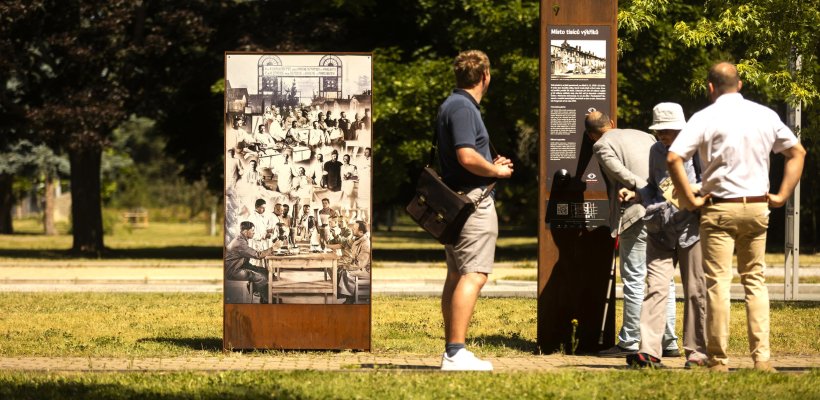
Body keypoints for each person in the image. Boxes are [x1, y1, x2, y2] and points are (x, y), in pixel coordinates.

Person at [667, 62, 806, 372]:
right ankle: (762, 359)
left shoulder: (705, 117)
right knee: (755, 280)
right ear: (740, 84)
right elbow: (798, 153)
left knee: (718, 283)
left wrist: (689, 197)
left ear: (710, 87)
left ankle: (718, 361)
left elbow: (674, 157)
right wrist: (782, 195)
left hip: (719, 208)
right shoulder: (765, 115)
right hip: (757, 206)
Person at [437, 50, 514, 371]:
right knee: (475, 274)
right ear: (486, 76)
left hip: (457, 200)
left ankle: (452, 350)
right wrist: (496, 172)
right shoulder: (464, 108)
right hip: (473, 204)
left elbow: (466, 158)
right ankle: (455, 352)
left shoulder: (451, 105)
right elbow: (467, 156)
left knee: (456, 274)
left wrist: (489, 165)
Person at [618, 103, 707, 368]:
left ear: (681, 127)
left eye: (667, 131)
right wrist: (635, 194)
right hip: (660, 227)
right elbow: (653, 188)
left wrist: (686, 189)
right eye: (659, 131)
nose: (662, 136)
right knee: (654, 287)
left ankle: (697, 352)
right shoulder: (656, 151)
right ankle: (649, 351)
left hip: (692, 227)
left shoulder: (698, 148)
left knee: (695, 290)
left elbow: (711, 182)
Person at [585, 111, 680, 358]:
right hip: (663, 210)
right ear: (613, 123)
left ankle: (630, 340)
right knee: (664, 279)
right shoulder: (645, 136)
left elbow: (621, 174)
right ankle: (669, 342)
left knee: (635, 277)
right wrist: (661, 195)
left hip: (636, 211)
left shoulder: (601, 145)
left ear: (589, 135)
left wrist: (645, 191)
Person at [225, 221, 276, 303]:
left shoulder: (241, 239)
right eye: (252, 230)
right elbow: (257, 255)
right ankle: (268, 301)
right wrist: (273, 248)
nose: (254, 232)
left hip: (239, 267)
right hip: (233, 271)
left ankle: (263, 297)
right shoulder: (240, 243)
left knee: (265, 271)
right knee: (261, 278)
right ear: (245, 232)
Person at [327, 220, 371, 304]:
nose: (352, 229)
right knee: (337, 269)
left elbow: (360, 264)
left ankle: (350, 298)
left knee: (346, 272)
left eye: (354, 229)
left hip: (365, 269)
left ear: (361, 231)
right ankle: (344, 294)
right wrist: (333, 239)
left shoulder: (366, 244)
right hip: (356, 264)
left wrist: (346, 266)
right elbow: (345, 242)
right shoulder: (356, 238)